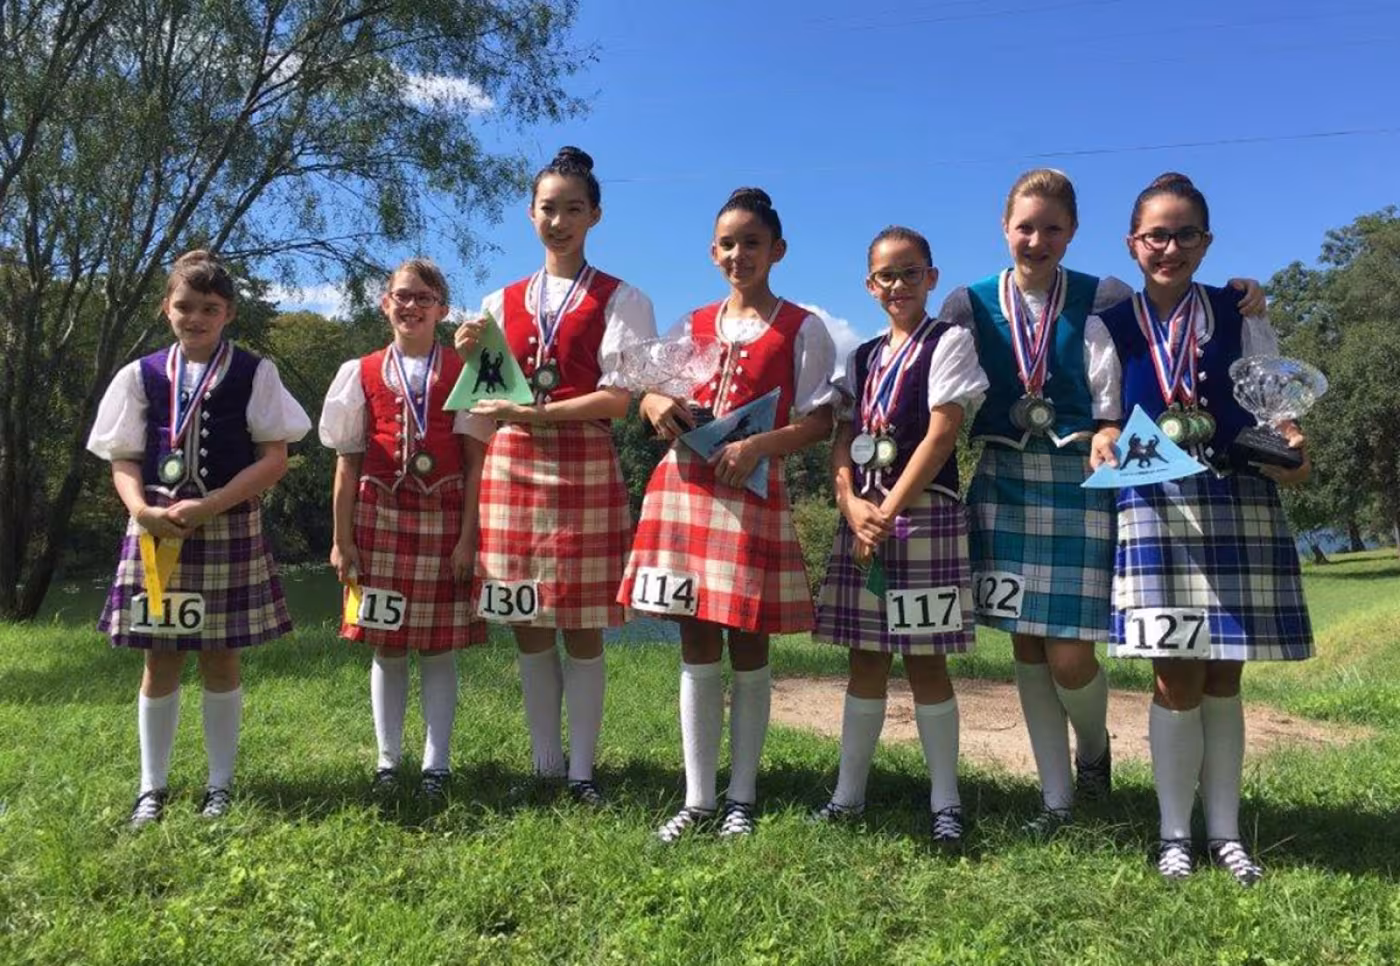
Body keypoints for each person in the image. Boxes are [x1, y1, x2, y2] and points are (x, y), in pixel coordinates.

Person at [938, 169, 1265, 831]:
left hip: (1083, 480)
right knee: (1025, 646)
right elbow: (932, 376)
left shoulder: (1104, 296)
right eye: (1025, 227)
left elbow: (1162, 339)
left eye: (1052, 228)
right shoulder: (967, 303)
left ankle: (1092, 751)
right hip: (1002, 479)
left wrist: (1245, 296)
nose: (1037, 240)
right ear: (1005, 228)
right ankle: (1055, 799)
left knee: (1070, 652)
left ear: (1074, 233)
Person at [1088, 172, 1312, 885]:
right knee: (1172, 674)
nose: (1171, 247)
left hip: (1238, 499)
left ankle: (1226, 833)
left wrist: (1293, 445)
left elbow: (1276, 407)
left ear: (1206, 242)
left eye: (1186, 233)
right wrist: (1103, 439)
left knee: (1224, 675)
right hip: (1154, 505)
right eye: (1157, 234)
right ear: (1133, 243)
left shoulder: (1239, 309)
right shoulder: (1112, 324)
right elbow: (1106, 417)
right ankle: (1174, 833)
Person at [620, 187, 837, 841]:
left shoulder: (804, 327)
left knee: (748, 642)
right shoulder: (692, 324)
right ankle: (698, 796)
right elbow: (652, 393)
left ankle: (742, 796)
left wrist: (757, 445)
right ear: (712, 252)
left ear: (777, 250)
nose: (738, 253)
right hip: (685, 491)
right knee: (695, 643)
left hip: (752, 494)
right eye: (727, 243)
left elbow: (822, 421)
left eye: (750, 242)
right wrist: (651, 404)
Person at [452, 146, 657, 805]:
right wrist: (473, 358)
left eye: (573, 208)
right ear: (529, 214)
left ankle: (583, 771)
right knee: (528, 617)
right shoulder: (497, 301)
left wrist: (534, 411)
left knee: (583, 621)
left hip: (582, 459)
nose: (559, 220)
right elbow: (484, 402)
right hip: (512, 466)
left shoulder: (623, 297)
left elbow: (620, 399)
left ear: (594, 215)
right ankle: (545, 765)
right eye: (548, 208)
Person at [88, 250, 310, 827]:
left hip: (227, 522)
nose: (196, 318)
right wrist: (140, 511)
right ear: (167, 309)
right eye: (185, 306)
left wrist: (211, 504)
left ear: (228, 313)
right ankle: (150, 789)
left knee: (220, 656)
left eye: (209, 308)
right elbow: (123, 456)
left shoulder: (254, 373)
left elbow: (275, 457)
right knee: (158, 660)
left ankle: (219, 786)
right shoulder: (140, 374)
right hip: (156, 530)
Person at [811, 226, 988, 846]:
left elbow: (943, 435)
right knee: (865, 659)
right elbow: (840, 438)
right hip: (863, 518)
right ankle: (847, 795)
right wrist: (848, 500)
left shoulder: (950, 342)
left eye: (910, 273)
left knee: (925, 661)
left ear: (931, 278)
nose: (898, 285)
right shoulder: (859, 358)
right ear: (869, 284)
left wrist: (887, 508)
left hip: (924, 516)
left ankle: (946, 802)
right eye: (886, 275)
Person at [321, 257, 491, 798]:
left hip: (445, 516)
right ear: (384, 303)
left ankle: (437, 764)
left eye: (424, 297)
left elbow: (473, 464)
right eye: (402, 296)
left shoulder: (463, 372)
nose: (411, 305)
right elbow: (346, 462)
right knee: (387, 643)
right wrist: (341, 538)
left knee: (439, 646)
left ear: (442, 309)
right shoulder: (361, 371)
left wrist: (470, 538)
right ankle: (388, 761)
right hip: (378, 516)